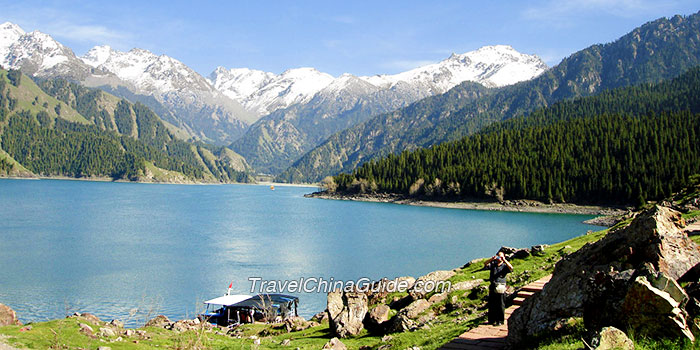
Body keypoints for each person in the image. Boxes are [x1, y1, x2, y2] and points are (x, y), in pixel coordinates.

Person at [484, 251, 513, 325]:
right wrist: (491, 259)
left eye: (500, 256)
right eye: (498, 256)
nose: (499, 258)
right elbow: (485, 264)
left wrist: (505, 260)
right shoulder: (493, 265)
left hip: (501, 286)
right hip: (493, 286)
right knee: (492, 304)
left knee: (500, 304)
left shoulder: (504, 266)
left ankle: (500, 321)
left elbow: (511, 268)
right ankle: (491, 320)